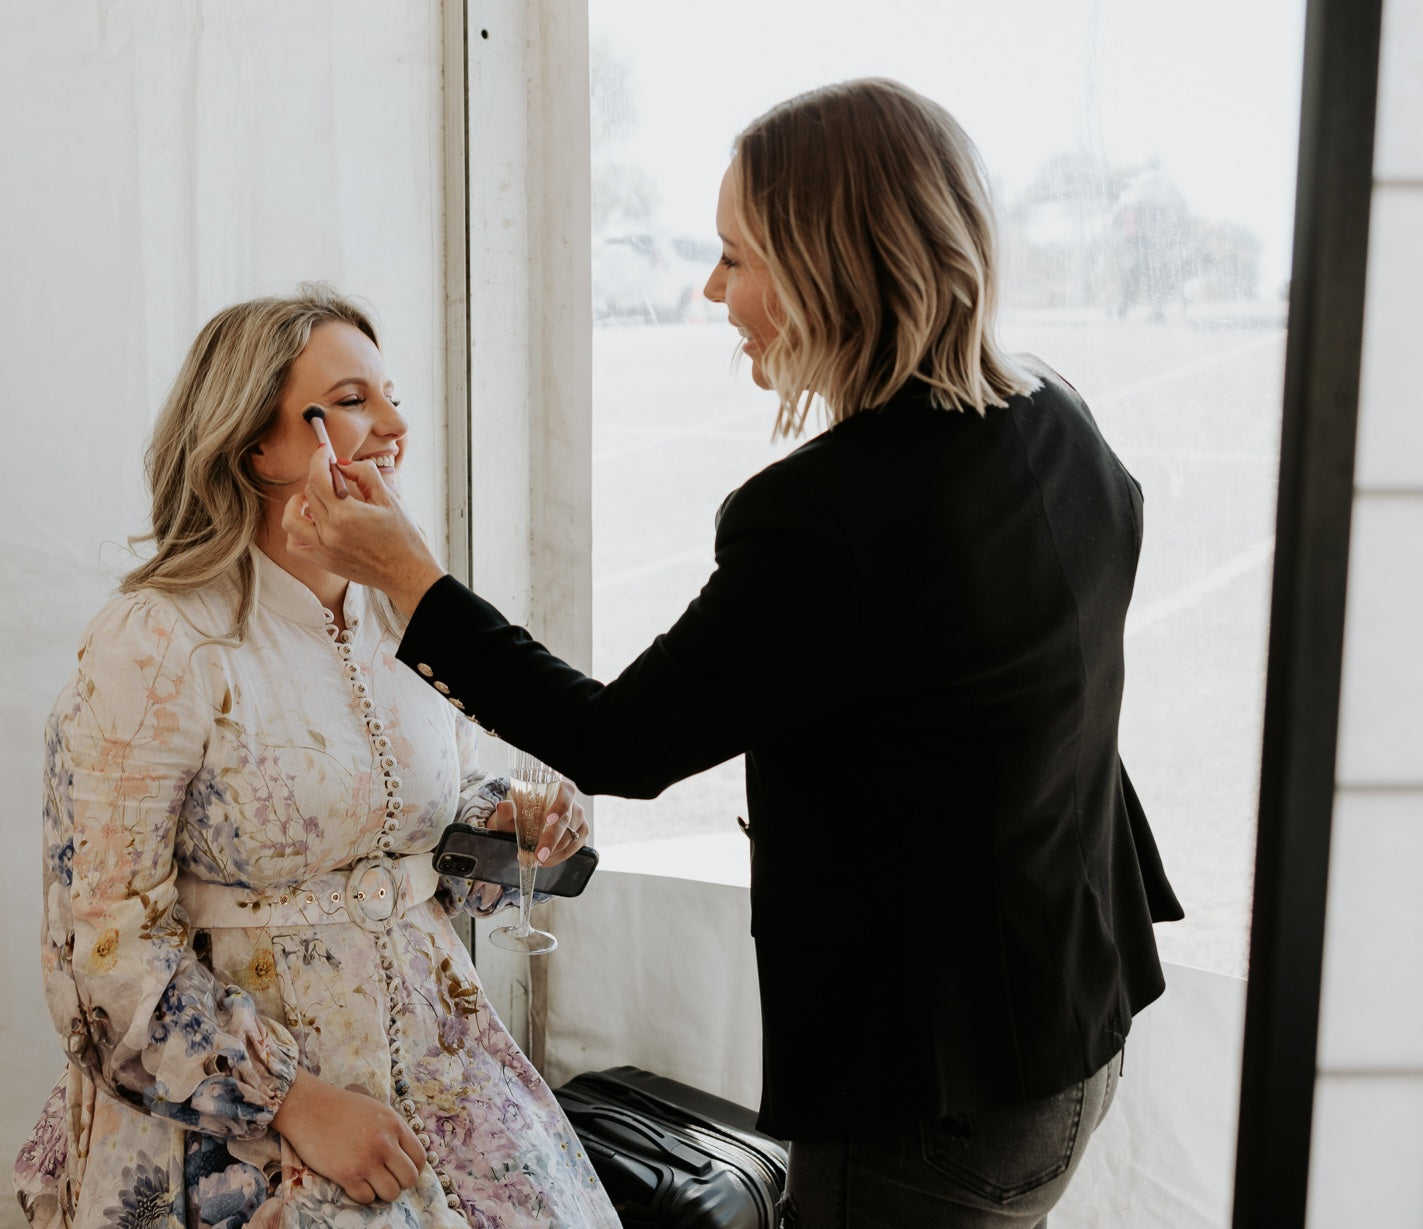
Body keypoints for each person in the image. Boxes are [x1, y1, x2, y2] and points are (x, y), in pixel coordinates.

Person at [284, 79, 1184, 1229]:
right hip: (1073, 1017)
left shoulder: (826, 518)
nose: (711, 290)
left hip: (935, 1090)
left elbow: (621, 740)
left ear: (829, 266)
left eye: (734, 257)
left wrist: (410, 577)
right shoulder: (1055, 420)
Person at [12, 286, 620, 1229]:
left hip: (443, 1083)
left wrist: (502, 823)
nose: (394, 425)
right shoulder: (156, 642)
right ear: (257, 442)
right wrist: (294, 1102)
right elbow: (102, 950)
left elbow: (415, 836)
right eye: (351, 399)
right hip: (242, 1131)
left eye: (392, 395)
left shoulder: (403, 622)